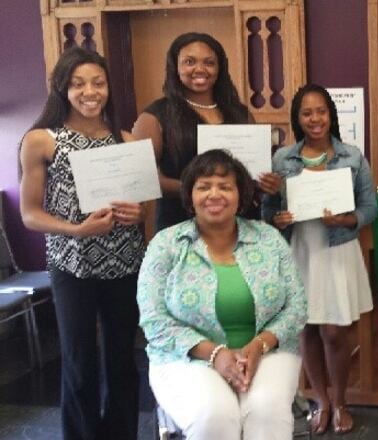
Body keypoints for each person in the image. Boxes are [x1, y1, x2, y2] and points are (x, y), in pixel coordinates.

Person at [19, 47, 144, 440]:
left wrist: (137, 216)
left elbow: (141, 203)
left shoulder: (125, 139)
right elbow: (29, 214)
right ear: (62, 89)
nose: (90, 92)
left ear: (109, 87)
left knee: (123, 359)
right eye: (78, 84)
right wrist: (76, 230)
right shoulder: (42, 140)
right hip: (72, 264)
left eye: (98, 83)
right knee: (79, 361)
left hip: (124, 262)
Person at [137, 149, 307, 439]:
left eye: (225, 186)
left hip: (269, 353)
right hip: (185, 357)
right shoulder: (166, 244)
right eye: (204, 187)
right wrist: (215, 354)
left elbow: (297, 307)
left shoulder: (269, 239)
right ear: (190, 196)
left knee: (266, 411)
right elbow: (154, 320)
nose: (214, 194)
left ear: (241, 195)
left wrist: (258, 346)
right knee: (214, 415)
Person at [263, 84, 378, 435]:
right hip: (300, 251)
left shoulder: (352, 156)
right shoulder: (283, 159)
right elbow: (269, 211)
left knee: (334, 331)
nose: (315, 119)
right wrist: (276, 218)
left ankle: (341, 400)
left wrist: (345, 220)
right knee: (307, 329)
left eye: (321, 111)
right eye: (307, 113)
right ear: (298, 119)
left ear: (331, 115)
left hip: (338, 250)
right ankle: (321, 401)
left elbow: (371, 208)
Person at [132, 32, 255, 231]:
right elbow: (139, 178)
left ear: (220, 67)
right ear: (175, 67)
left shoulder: (239, 113)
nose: (200, 69)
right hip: (180, 224)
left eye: (209, 62)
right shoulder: (156, 116)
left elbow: (254, 169)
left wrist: (267, 181)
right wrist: (197, 189)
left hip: (238, 223)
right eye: (189, 62)